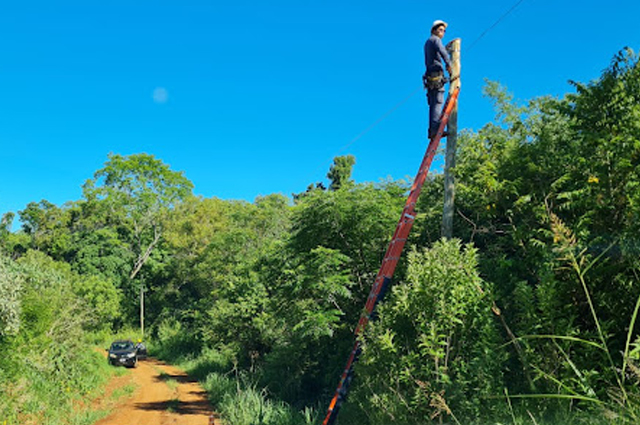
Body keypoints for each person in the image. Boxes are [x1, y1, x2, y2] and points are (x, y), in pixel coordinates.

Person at [424, 19, 452, 139]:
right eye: (440, 30)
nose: (443, 32)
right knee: (438, 102)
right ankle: (435, 128)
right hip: (435, 75)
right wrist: (449, 65)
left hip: (430, 76)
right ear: (434, 30)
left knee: (434, 103)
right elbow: (443, 52)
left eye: (444, 30)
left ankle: (432, 129)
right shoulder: (435, 40)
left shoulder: (427, 42)